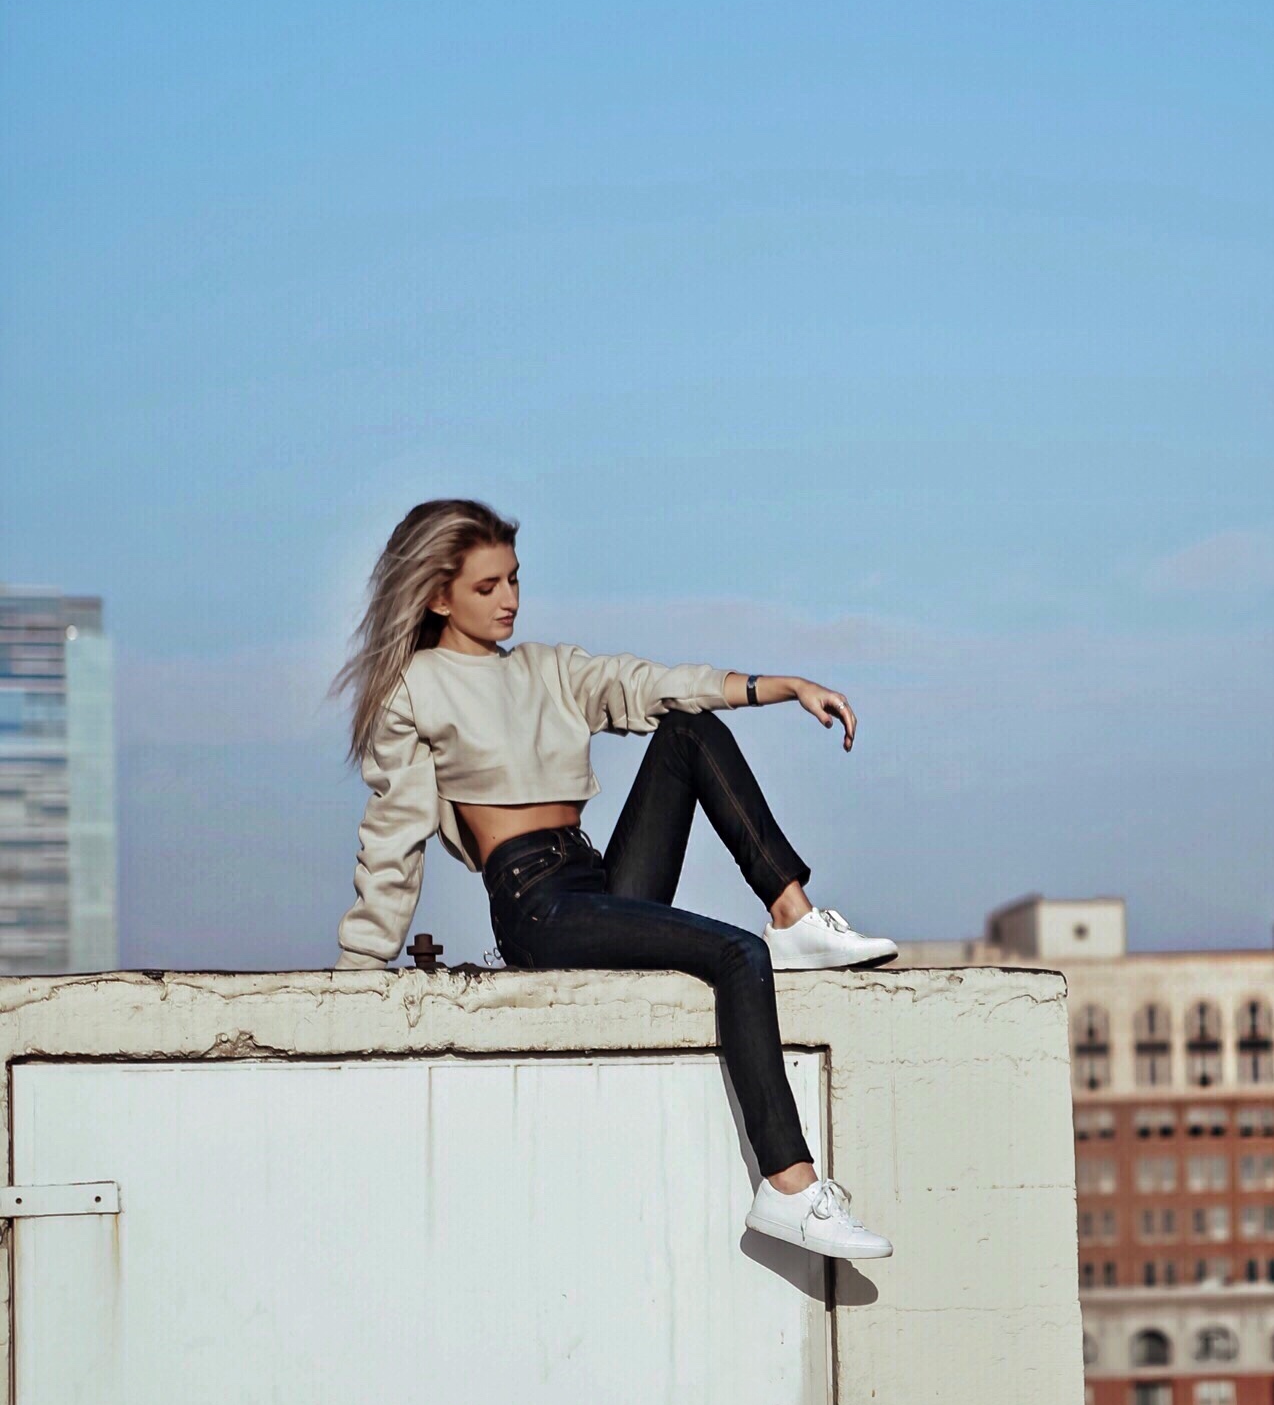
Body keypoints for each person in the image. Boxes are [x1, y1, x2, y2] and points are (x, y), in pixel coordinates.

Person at [334, 497, 894, 1263]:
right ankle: (789, 1189)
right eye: (488, 586)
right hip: (538, 907)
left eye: (515, 580)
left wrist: (784, 685)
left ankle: (792, 910)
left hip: (596, 879)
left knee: (688, 727)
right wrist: (357, 974)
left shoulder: (547, 670)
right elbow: (392, 842)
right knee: (736, 956)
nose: (510, 601)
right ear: (437, 595)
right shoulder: (416, 691)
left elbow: (660, 683)